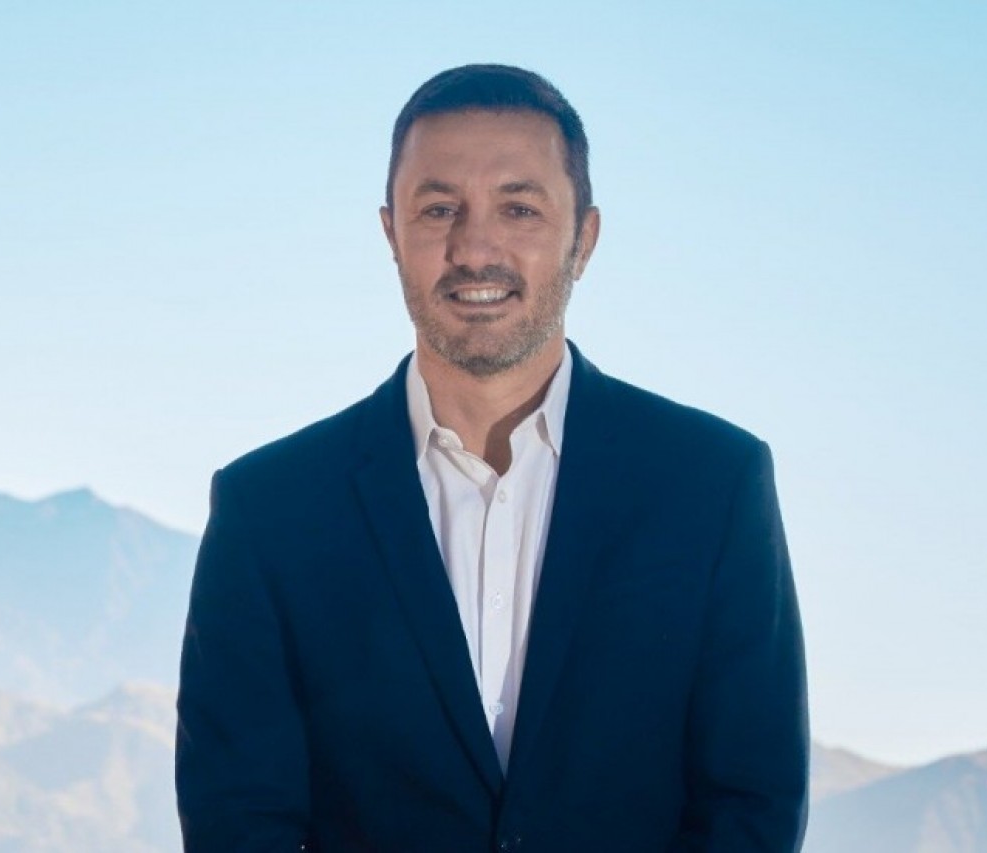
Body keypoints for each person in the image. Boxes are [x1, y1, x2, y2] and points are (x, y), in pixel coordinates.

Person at [176, 64, 809, 852]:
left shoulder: (713, 485)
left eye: (519, 208)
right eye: (439, 209)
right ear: (391, 236)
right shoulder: (270, 509)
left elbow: (750, 805)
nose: (475, 248)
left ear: (584, 239)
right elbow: (237, 821)